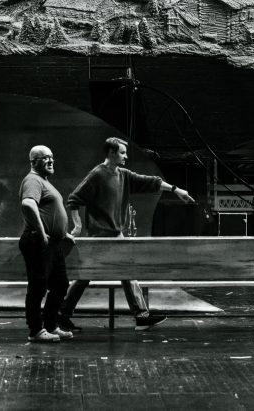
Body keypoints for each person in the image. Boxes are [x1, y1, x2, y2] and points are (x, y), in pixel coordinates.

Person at [58, 137, 196, 331]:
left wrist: (176, 189)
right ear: (111, 153)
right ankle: (139, 316)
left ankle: (63, 314)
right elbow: (74, 199)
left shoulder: (123, 175)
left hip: (116, 236)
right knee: (94, 275)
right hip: (100, 237)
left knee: (118, 273)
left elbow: (150, 182)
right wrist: (78, 226)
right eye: (122, 152)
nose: (126, 156)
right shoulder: (97, 174)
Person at [18, 145, 76, 343]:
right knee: (38, 286)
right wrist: (42, 231)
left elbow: (48, 211)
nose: (50, 161)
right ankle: (35, 330)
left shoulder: (44, 181)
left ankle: (50, 325)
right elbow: (28, 204)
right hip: (38, 241)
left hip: (52, 243)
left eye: (51, 157)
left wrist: (63, 233)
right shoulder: (33, 180)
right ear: (33, 162)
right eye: (45, 158)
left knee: (60, 285)